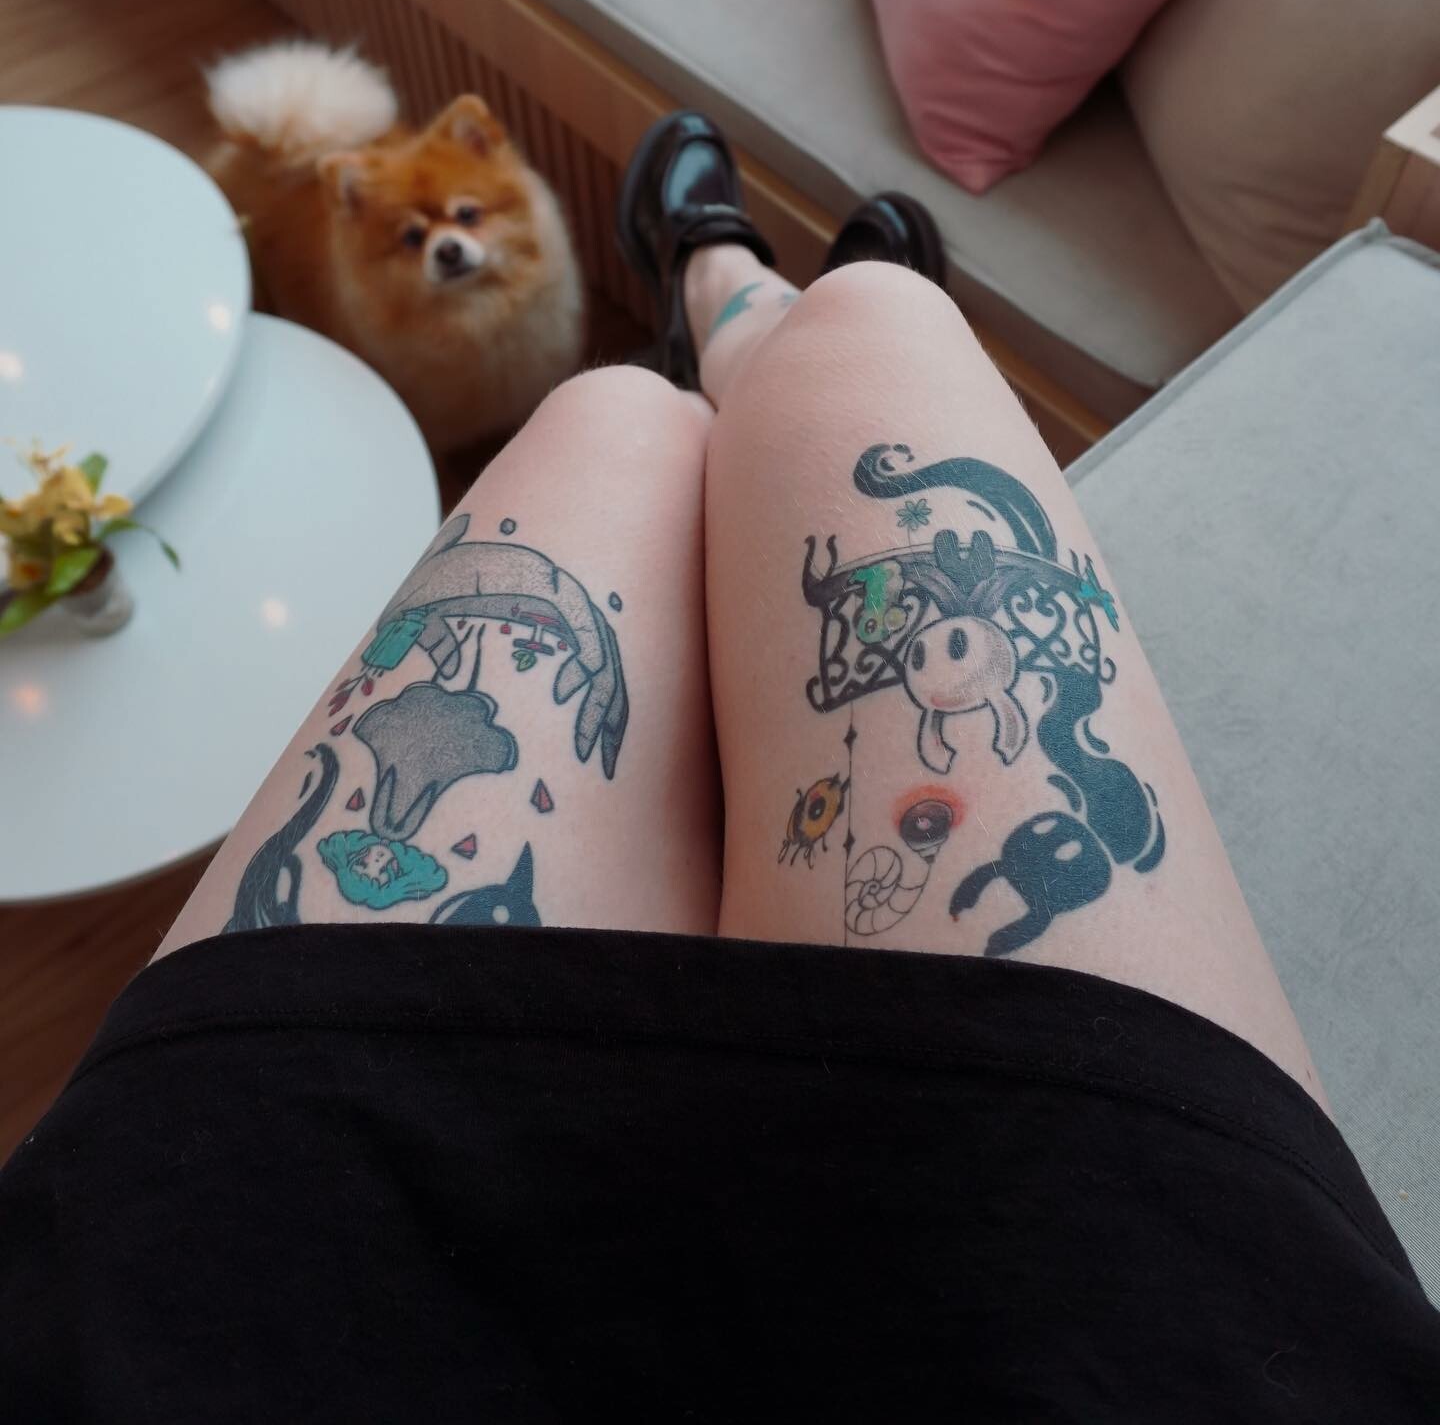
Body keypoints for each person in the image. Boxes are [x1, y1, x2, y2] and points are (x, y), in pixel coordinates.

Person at [1, 114, 1436, 1420]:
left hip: (250, 1226)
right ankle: (736, 301)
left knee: (616, 421)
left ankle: (711, 294)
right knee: (873, 319)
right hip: (1108, 1249)